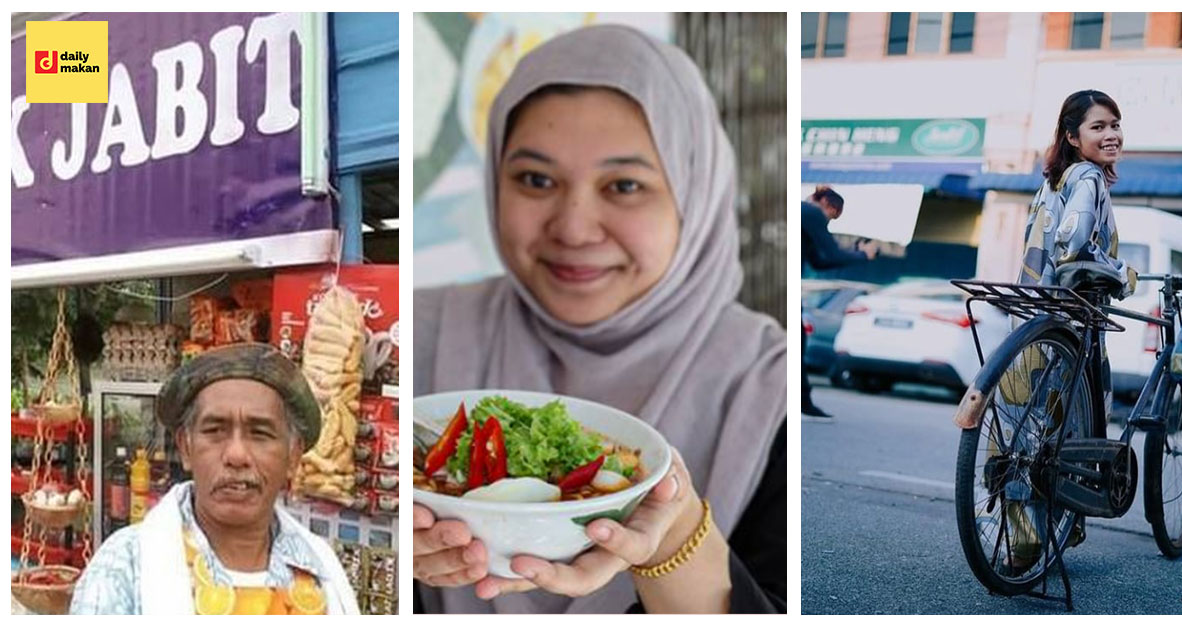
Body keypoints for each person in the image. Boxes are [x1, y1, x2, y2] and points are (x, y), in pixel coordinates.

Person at [413, 24, 785, 613]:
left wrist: (673, 533)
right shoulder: (414, 341)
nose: (574, 228)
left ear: (695, 192)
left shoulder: (768, 393)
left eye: (625, 185)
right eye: (536, 180)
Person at [70, 343, 360, 614]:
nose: (236, 455)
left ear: (293, 455)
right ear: (185, 447)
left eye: (260, 433)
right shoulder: (123, 568)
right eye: (215, 430)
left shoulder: (323, 569)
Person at [1003, 89, 1139, 568]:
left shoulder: (1052, 181)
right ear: (1072, 135)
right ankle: (1064, 522)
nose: (1111, 135)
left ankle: (1023, 539)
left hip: (1031, 321)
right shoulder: (1088, 179)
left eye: (1115, 125)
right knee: (1068, 436)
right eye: (1098, 127)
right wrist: (1125, 274)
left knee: (1027, 435)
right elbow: (1074, 249)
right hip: (1071, 325)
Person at [800, 186, 878, 419]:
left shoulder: (802, 214)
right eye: (832, 218)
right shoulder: (812, 213)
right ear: (829, 206)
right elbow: (832, 254)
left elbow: (819, 262)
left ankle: (803, 401)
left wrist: (854, 255)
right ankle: (802, 402)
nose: (827, 224)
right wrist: (864, 255)